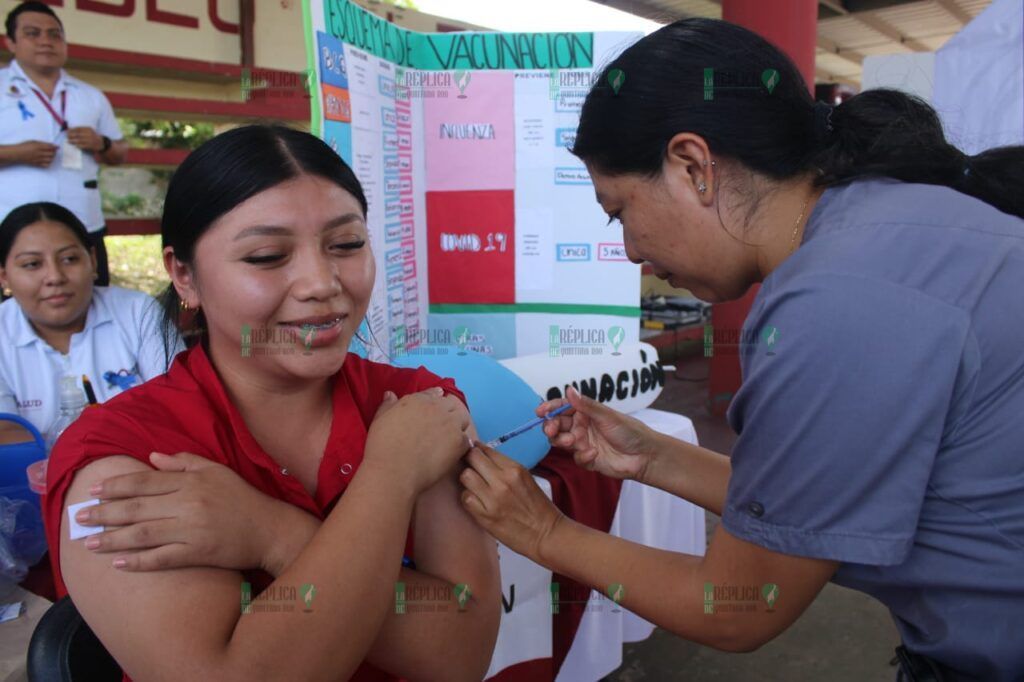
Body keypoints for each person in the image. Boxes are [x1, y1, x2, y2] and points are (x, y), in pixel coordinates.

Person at [456, 18, 1024, 682]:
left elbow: (741, 605)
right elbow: (804, 502)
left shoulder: (835, 300)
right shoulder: (891, 225)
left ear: (693, 166)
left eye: (620, 212)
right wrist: (653, 456)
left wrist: (542, 532)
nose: (631, 249)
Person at [43, 125, 500, 681]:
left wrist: (272, 534)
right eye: (265, 256)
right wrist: (394, 476)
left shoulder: (416, 406)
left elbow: (460, 654)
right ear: (184, 276)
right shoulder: (119, 460)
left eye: (347, 245)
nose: (321, 282)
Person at [0, 201, 178, 442]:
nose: (55, 277)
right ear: (4, 276)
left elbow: (177, 404)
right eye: (32, 264)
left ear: (93, 260)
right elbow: (6, 439)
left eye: (69, 259)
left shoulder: (137, 312)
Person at [0, 1, 128, 287]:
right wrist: (16, 154)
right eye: (33, 33)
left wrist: (101, 142)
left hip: (82, 224)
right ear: (11, 42)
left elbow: (119, 153)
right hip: (10, 227)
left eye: (55, 34)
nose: (46, 41)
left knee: (94, 306)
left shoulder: (90, 95)